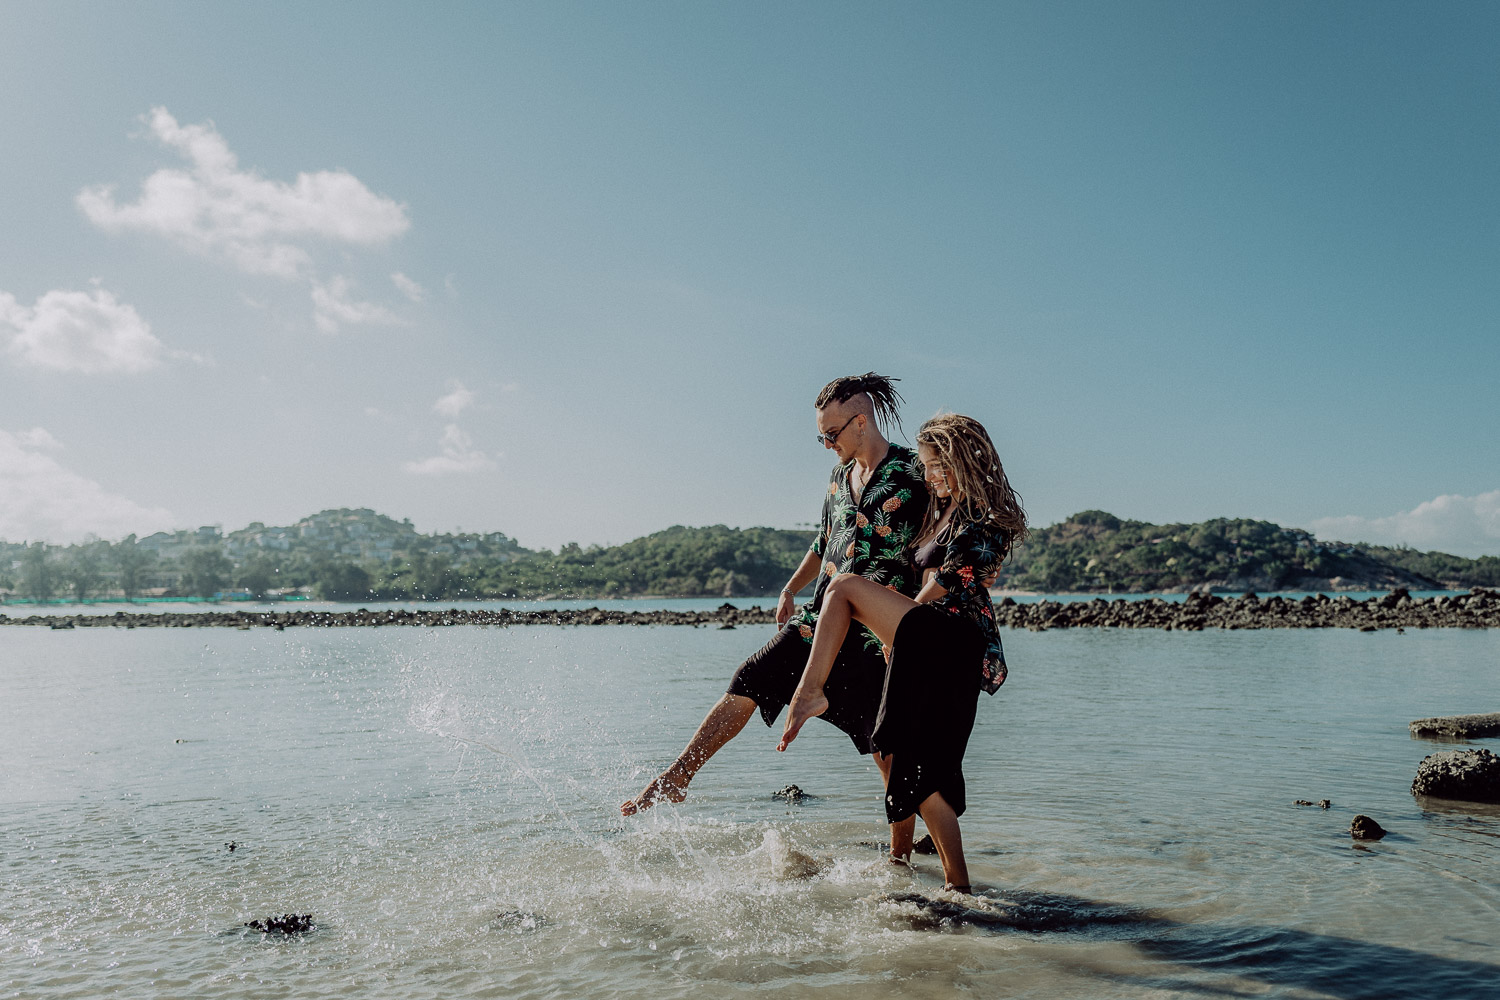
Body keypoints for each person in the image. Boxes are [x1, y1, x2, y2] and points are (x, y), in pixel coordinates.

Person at [621, 373, 930, 860]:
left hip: (876, 635)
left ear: (861, 421)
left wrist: (920, 614)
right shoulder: (837, 478)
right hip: (819, 620)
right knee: (748, 677)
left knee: (885, 744)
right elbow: (823, 542)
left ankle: (901, 858)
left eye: (831, 434)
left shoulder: (917, 474)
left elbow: (946, 543)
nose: (826, 444)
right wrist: (790, 588)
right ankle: (678, 776)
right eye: (821, 436)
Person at [777, 413, 1026, 893]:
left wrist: (899, 624)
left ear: (960, 460)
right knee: (905, 755)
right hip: (928, 639)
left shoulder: (984, 517)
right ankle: (955, 886)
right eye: (928, 467)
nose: (928, 476)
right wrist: (900, 629)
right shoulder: (943, 509)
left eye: (935, 466)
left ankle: (810, 691)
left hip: (949, 640)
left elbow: (952, 581)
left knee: (846, 588)